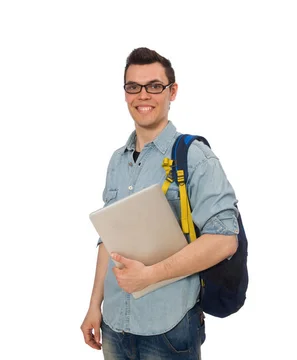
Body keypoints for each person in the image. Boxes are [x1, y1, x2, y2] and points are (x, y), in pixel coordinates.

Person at [80, 47, 240, 359]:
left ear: (172, 92)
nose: (143, 96)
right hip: (114, 325)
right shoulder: (117, 160)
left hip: (170, 328)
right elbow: (107, 241)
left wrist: (150, 275)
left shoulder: (195, 157)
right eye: (133, 87)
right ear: (125, 93)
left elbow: (224, 240)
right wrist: (94, 305)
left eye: (154, 86)